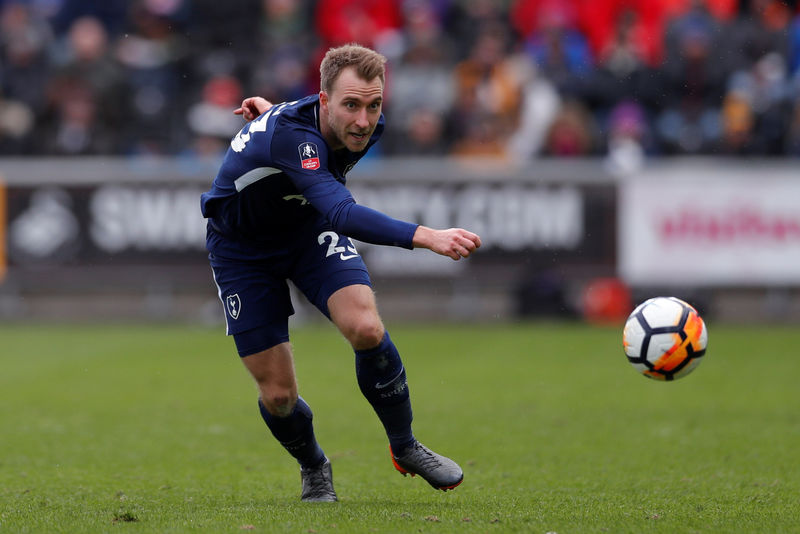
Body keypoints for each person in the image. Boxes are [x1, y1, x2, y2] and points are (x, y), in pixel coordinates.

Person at [200, 43, 481, 502]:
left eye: (373, 106)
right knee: (278, 396)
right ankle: (314, 465)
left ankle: (405, 445)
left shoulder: (355, 127)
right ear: (324, 100)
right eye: (350, 105)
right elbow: (341, 212)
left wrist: (274, 120)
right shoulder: (293, 135)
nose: (363, 121)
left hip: (305, 230)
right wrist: (428, 236)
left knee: (366, 327)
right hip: (241, 250)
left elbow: (303, 150)